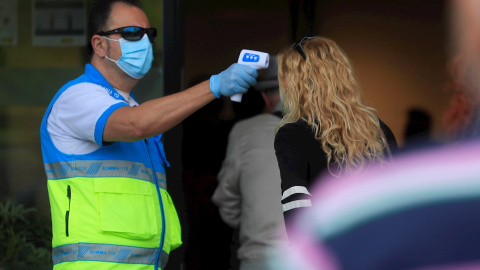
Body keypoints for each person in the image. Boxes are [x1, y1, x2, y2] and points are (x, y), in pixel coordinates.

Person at [39, 0, 258, 269]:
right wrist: (213, 86)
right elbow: (135, 125)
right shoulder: (78, 97)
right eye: (131, 33)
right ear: (99, 45)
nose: (143, 42)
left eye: (148, 34)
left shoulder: (129, 106)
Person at [274, 36, 398, 228]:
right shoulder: (379, 129)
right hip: (382, 246)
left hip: (335, 248)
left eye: (284, 79)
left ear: (298, 84)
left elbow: (296, 208)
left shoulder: (293, 133)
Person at [212, 56, 287, 270]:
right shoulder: (333, 132)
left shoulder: (246, 132)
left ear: (265, 96)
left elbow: (226, 200)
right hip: (320, 257)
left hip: (262, 255)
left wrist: (253, 223)